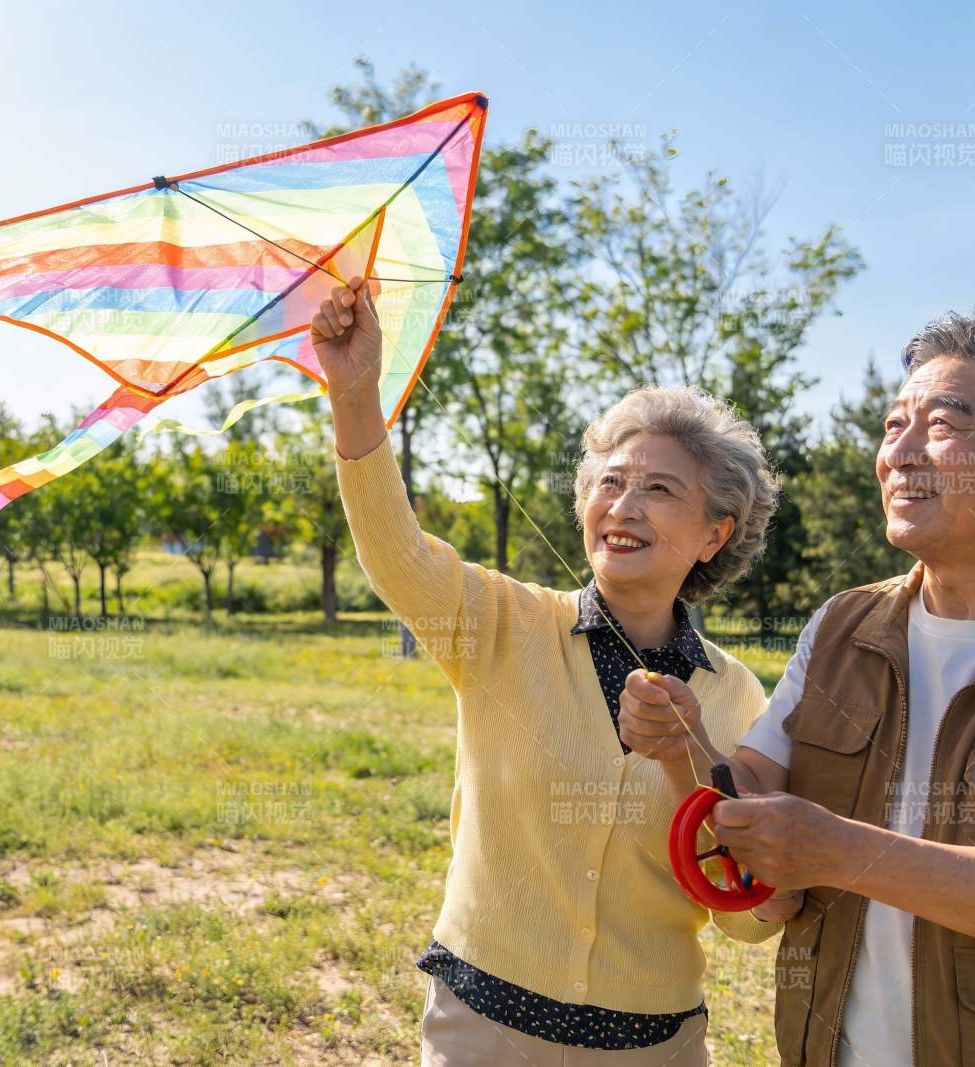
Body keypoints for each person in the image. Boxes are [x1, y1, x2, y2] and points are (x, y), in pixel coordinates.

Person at [620, 308, 975, 1066]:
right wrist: (684, 744)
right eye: (895, 424)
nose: (901, 452)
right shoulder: (842, 624)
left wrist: (837, 850)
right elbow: (752, 788)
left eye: (944, 425)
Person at [311, 275, 792, 1064]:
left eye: (660, 488)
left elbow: (747, 914)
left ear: (715, 533)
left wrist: (688, 755)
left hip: (653, 1047)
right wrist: (355, 389)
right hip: (480, 1034)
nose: (624, 504)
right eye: (610, 482)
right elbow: (394, 552)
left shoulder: (735, 692)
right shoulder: (503, 623)